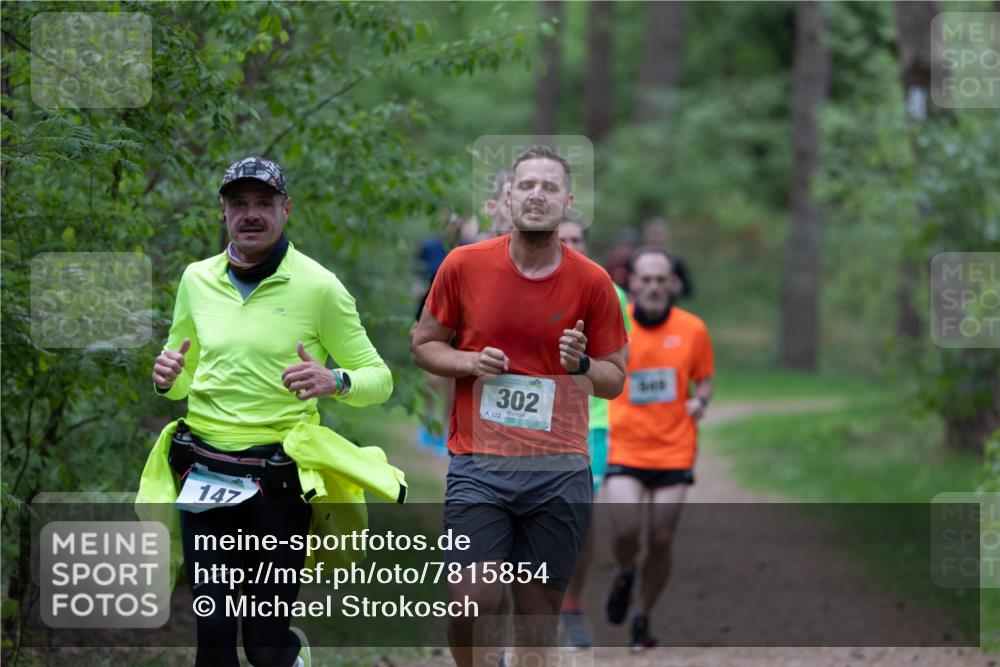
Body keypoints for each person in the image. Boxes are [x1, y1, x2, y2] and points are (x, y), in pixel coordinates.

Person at [149, 156, 394, 667]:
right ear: (223, 212)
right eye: (239, 204)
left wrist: (336, 380)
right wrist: (169, 379)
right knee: (212, 632)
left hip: (278, 479)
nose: (251, 214)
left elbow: (380, 379)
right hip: (204, 469)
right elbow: (184, 376)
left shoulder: (319, 286)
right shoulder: (196, 279)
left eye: (264, 203)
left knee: (263, 644)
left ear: (286, 209)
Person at [411, 145, 629, 667]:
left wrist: (580, 366)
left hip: (558, 471)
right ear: (507, 196)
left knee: (535, 632)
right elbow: (424, 344)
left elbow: (615, 378)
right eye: (526, 185)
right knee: (469, 602)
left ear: (567, 201)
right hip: (480, 466)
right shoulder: (463, 266)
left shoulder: (593, 282)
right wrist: (468, 363)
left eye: (549, 187)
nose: (537, 195)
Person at [603, 247, 714, 650]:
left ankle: (642, 616)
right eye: (645, 279)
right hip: (626, 447)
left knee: (663, 538)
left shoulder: (693, 329)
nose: (652, 286)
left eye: (659, 280)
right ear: (632, 282)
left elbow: (705, 379)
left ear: (672, 283)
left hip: (674, 448)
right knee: (626, 529)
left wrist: (701, 401)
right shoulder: (616, 324)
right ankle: (624, 571)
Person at [556, 213, 631, 649]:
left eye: (577, 238)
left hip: (593, 424)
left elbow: (619, 365)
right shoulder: (524, 284)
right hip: (533, 422)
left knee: (579, 518)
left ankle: (573, 605)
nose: (570, 245)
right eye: (562, 238)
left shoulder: (609, 291)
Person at [640, 216, 693, 298]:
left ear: (667, 236)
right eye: (653, 234)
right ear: (646, 236)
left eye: (660, 234)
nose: (656, 238)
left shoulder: (676, 261)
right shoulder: (638, 260)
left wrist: (679, 288)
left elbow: (689, 290)